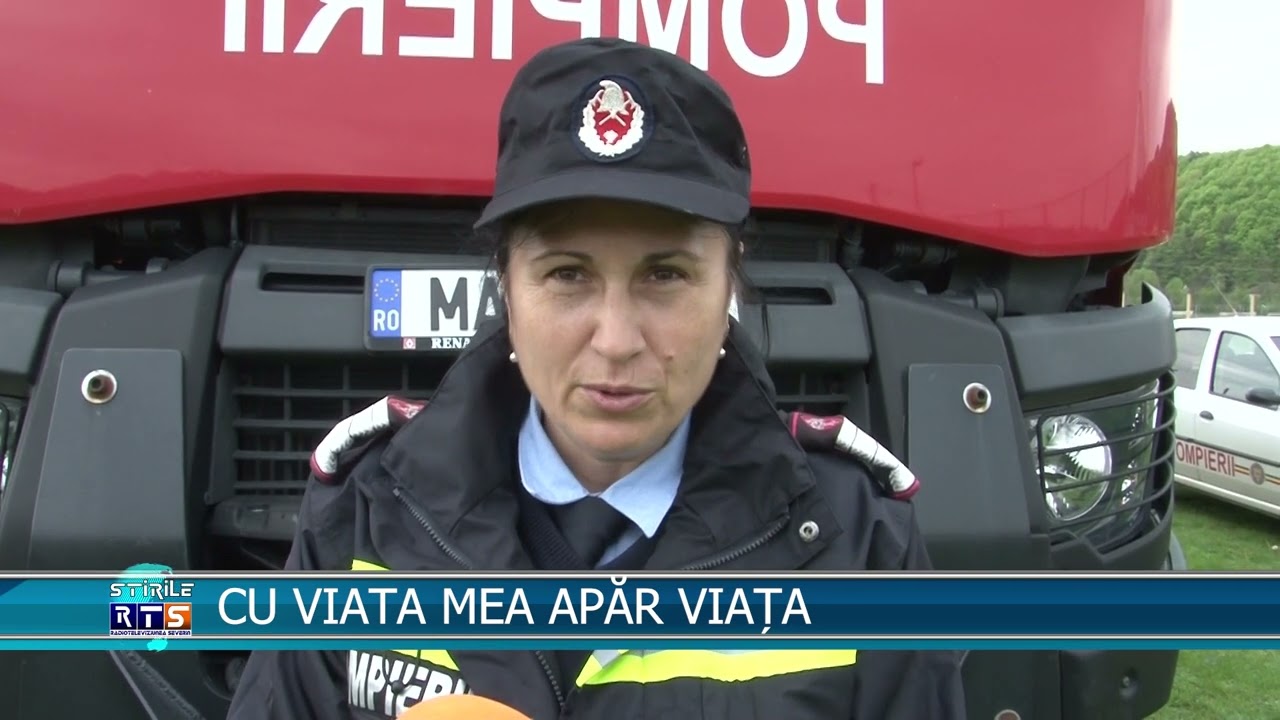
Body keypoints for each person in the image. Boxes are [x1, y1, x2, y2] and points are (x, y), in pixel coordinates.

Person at [226, 36, 967, 720]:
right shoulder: (365, 513)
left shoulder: (861, 545)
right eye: (568, 274)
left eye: (665, 275)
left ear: (729, 290)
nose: (615, 342)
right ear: (506, 288)